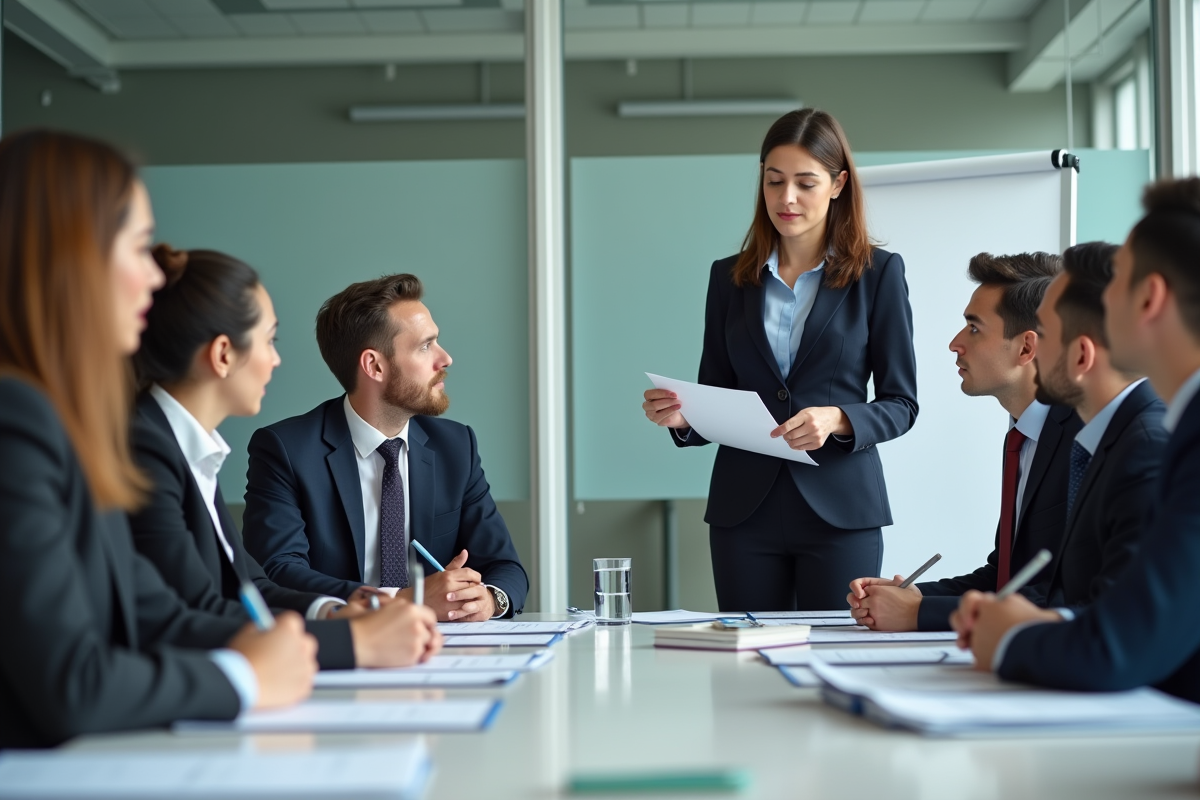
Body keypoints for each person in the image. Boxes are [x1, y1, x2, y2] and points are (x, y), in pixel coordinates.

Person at [0, 130, 315, 749]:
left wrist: (275, 651)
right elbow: (73, 685)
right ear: (70, 257)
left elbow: (153, 614)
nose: (153, 275)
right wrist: (244, 678)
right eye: (139, 247)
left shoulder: (68, 424)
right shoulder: (18, 418)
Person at [641, 108, 918, 611]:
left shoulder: (878, 275)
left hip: (840, 511)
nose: (786, 198)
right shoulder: (728, 279)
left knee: (836, 662)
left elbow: (902, 404)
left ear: (837, 185)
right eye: (774, 181)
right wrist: (684, 418)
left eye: (805, 183)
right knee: (746, 670)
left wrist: (838, 418)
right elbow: (717, 392)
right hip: (744, 515)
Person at [129, 245, 442, 670]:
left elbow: (247, 586)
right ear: (223, 355)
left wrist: (331, 611)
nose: (276, 360)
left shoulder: (183, 446)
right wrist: (352, 642)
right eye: (270, 340)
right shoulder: (144, 449)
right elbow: (195, 608)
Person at [953, 179, 1200, 703]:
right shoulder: (1174, 430)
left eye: (1116, 286)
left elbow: (1123, 644)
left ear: (1149, 298)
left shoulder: (1165, 441)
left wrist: (1014, 636)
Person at [242, 274, 528, 621]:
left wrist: (487, 599)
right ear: (374, 366)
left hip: (443, 654)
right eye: (425, 346)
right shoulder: (285, 450)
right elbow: (277, 570)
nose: (445, 358)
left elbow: (504, 566)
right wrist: (405, 601)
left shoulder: (456, 446)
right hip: (338, 651)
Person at [847, 253, 1080, 631]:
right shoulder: (1024, 435)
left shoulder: (1082, 443)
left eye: (974, 328)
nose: (955, 344)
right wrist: (911, 596)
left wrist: (918, 614)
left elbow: (1065, 594)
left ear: (1026, 348)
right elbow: (1003, 580)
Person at [1024, 242, 1165, 609]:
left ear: (1081, 355)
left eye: (1043, 334)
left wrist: (1014, 633)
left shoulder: (1146, 449)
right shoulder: (1108, 440)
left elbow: (1122, 621)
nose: (1033, 352)